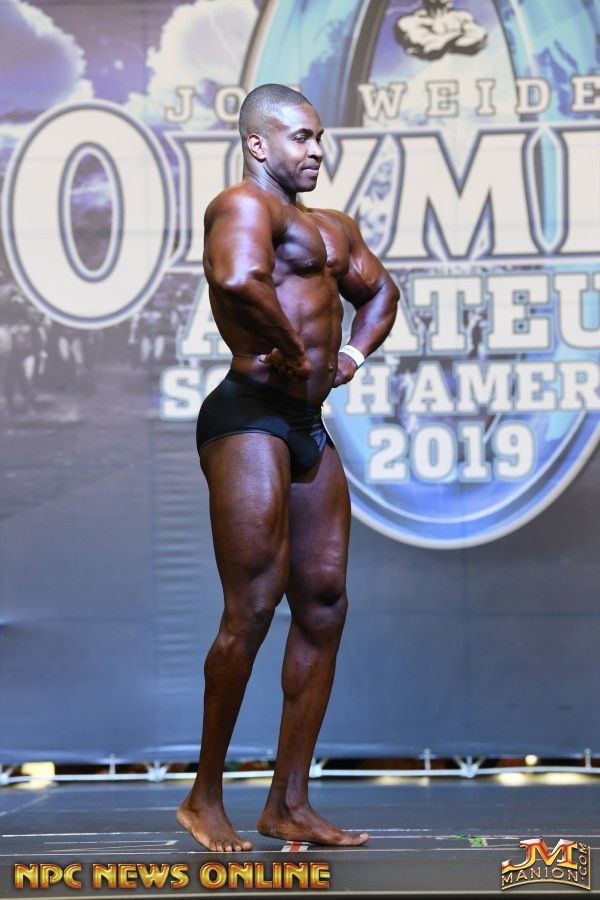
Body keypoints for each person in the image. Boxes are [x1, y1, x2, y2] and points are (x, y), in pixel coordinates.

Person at [176, 84, 399, 852]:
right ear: (258, 143)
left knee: (325, 602)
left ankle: (288, 803)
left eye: (319, 138)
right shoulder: (241, 205)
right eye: (301, 137)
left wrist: (350, 356)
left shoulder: (332, 227)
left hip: (306, 423)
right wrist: (292, 348)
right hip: (249, 416)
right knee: (252, 606)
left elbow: (381, 291)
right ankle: (204, 797)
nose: (316, 150)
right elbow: (237, 279)